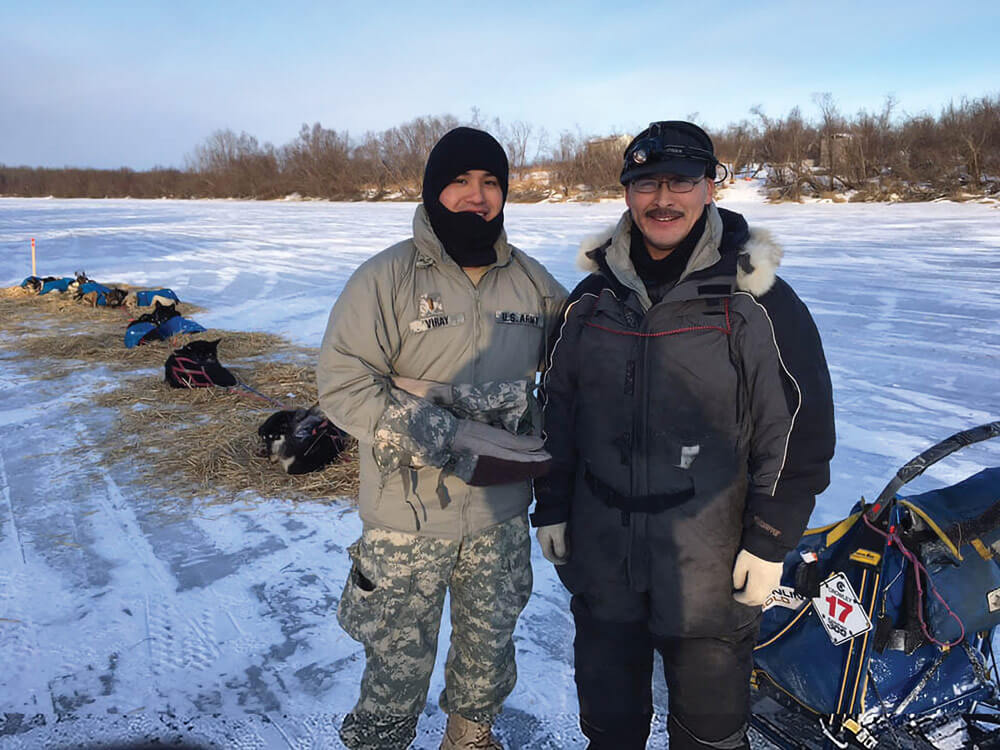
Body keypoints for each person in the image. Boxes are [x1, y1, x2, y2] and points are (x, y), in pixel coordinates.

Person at [532, 121, 835, 750]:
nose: (663, 199)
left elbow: (800, 429)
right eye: (647, 183)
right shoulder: (591, 300)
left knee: (709, 735)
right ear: (626, 193)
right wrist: (553, 507)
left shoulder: (756, 301)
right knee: (611, 730)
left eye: (682, 181)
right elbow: (558, 413)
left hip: (710, 567)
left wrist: (770, 536)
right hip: (604, 558)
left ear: (710, 189)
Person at [317, 127, 567, 750]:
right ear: (434, 191)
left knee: (488, 650)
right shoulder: (385, 279)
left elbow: (578, 373)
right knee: (395, 666)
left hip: (500, 512)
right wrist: (449, 433)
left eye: (490, 183)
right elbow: (345, 384)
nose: (476, 196)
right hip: (407, 517)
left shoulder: (533, 284)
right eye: (459, 181)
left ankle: (470, 737)